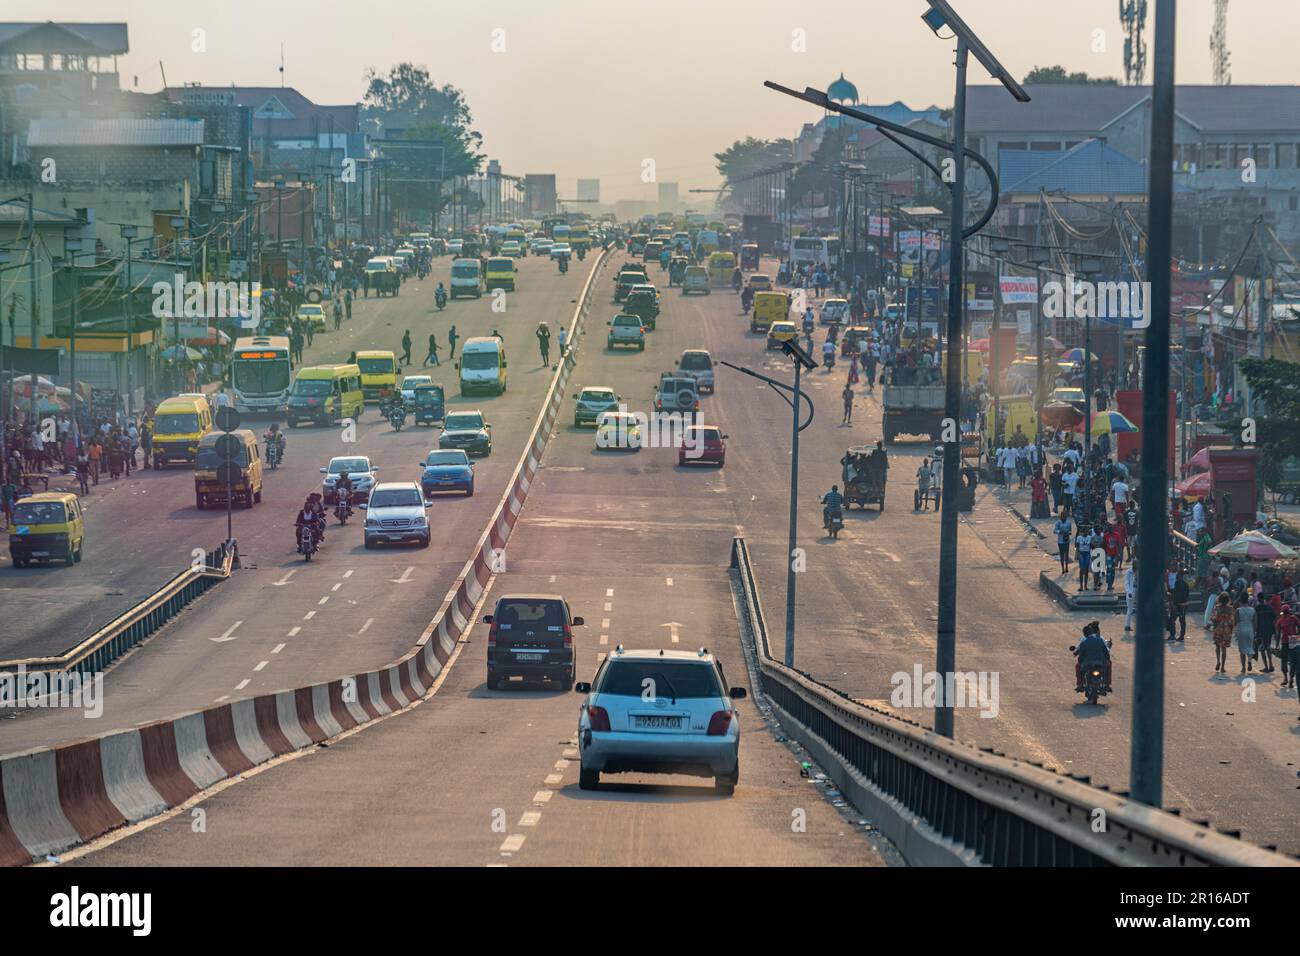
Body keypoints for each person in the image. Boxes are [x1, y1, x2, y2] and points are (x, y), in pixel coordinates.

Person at [1073, 620, 1112, 693]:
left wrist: (1080, 661)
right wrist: (1107, 659)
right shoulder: (1100, 639)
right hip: (1100, 662)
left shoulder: (1084, 641)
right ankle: (1107, 684)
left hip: (1087, 664)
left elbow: (1080, 654)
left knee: (1078, 666)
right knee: (1109, 664)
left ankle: (1080, 684)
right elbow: (1106, 652)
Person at [1234, 593, 1256, 674]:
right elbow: (1255, 622)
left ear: (1241, 600)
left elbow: (1235, 622)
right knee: (1249, 647)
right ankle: (1249, 661)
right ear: (1248, 600)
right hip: (1250, 629)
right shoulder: (1253, 610)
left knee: (1242, 650)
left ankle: (1243, 668)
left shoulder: (1238, 610)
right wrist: (1254, 632)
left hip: (1241, 629)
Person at [1123, 564, 1137, 632]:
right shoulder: (1128, 572)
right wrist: (1129, 592)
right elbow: (1126, 583)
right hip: (1131, 591)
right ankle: (1127, 625)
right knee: (1130, 610)